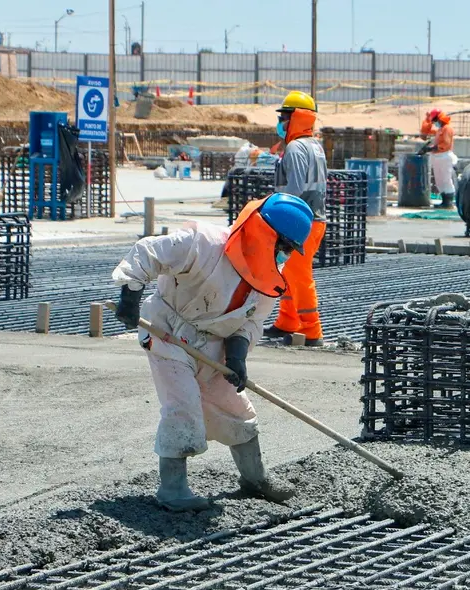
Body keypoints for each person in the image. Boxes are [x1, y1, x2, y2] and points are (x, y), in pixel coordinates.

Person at [112, 193, 313, 512]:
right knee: (183, 403)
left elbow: (252, 322)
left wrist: (237, 354)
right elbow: (147, 252)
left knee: (235, 408)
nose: (284, 256)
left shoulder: (268, 281)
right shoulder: (202, 243)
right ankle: (173, 490)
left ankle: (255, 478)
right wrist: (130, 295)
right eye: (284, 247)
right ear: (264, 235)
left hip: (214, 343)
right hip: (168, 330)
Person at [263, 91, 329, 345]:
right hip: (313, 219)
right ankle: (288, 321)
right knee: (289, 273)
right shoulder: (314, 146)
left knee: (300, 276)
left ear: (298, 118)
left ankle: (312, 331)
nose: (281, 122)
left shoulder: (295, 147)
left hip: (300, 221)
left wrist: (280, 218)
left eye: (285, 117)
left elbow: (294, 189)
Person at [421, 110, 458, 209]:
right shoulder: (440, 129)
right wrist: (427, 120)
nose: (434, 123)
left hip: (445, 157)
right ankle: (444, 201)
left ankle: (448, 202)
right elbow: (424, 134)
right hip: (438, 157)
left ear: (440, 118)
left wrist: (431, 149)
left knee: (446, 179)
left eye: (435, 120)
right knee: (439, 180)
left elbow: (445, 144)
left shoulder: (447, 129)